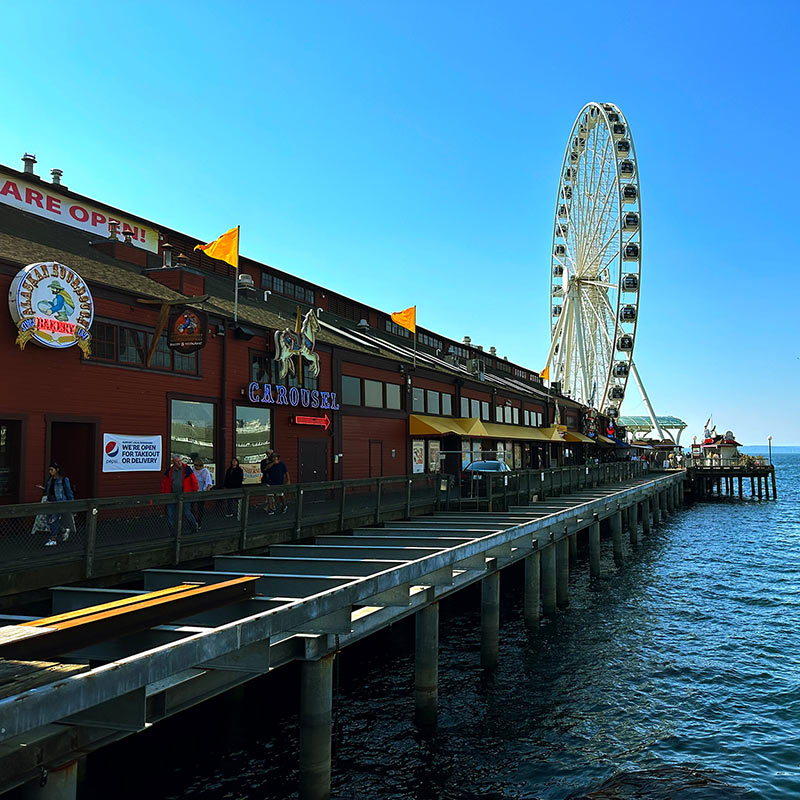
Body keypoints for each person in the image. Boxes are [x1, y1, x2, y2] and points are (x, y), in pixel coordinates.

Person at [36, 462, 74, 546]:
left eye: (51, 470)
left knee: (53, 519)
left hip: (59, 502)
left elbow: (68, 491)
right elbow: (49, 490)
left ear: (57, 470)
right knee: (51, 520)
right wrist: (43, 489)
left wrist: (71, 502)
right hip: (50, 501)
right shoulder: (50, 480)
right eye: (49, 470)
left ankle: (53, 538)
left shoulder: (63, 479)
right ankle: (63, 530)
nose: (50, 472)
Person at [160, 454, 199, 533]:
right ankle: (173, 532)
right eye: (177, 461)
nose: (179, 463)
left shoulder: (187, 469)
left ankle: (194, 526)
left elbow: (194, 481)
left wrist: (195, 492)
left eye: (180, 461)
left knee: (187, 512)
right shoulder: (169, 471)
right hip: (172, 495)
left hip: (185, 495)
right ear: (173, 462)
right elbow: (164, 483)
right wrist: (164, 494)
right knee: (171, 514)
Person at [192, 458, 214, 529]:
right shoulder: (193, 470)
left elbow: (208, 482)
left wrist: (206, 490)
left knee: (200, 508)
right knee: (191, 507)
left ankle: (199, 522)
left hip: (201, 492)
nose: (196, 467)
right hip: (193, 491)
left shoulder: (205, 471)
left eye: (197, 466)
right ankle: (193, 521)